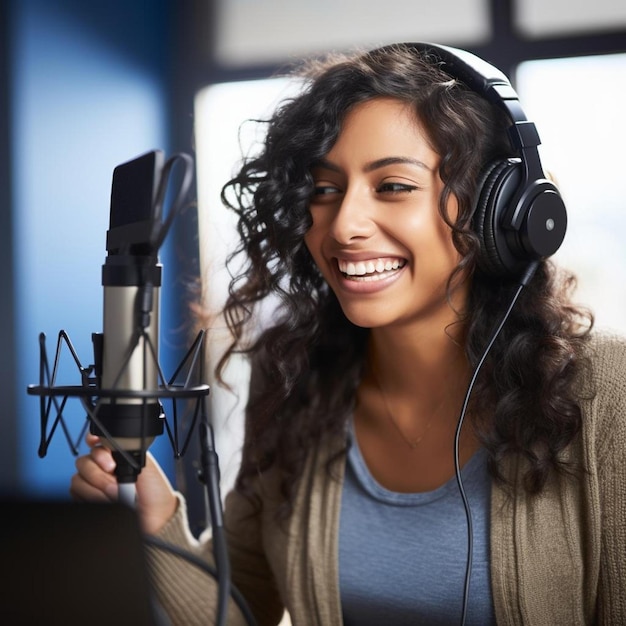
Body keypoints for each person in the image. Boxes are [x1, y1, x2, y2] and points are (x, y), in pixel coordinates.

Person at [70, 43, 626, 626]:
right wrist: (158, 522)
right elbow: (240, 610)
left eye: (392, 186)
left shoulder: (606, 394)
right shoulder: (293, 382)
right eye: (325, 189)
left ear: (503, 212)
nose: (343, 225)